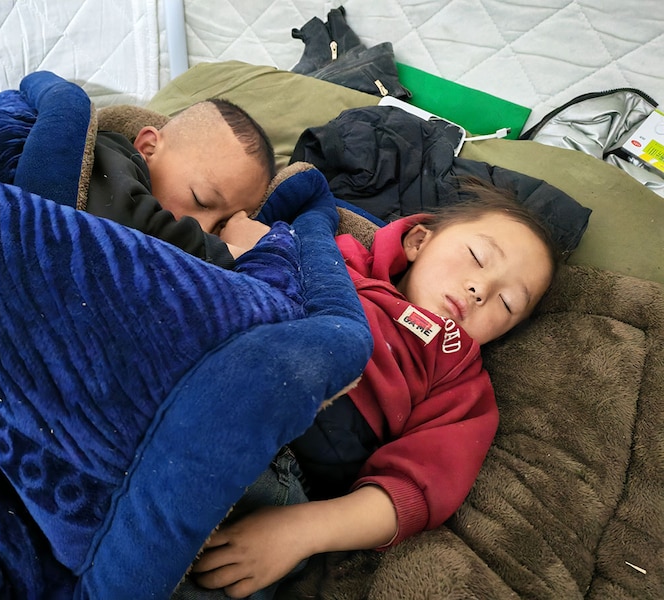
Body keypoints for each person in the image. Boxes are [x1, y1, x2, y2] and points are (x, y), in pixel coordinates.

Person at [177, 178, 561, 599]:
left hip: (279, 472)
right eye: (478, 257)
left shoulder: (460, 381)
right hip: (209, 384)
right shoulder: (338, 260)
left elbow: (413, 491)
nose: (481, 290)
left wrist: (300, 532)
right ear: (418, 241)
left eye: (508, 303)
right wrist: (254, 244)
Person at [87, 98, 276, 268]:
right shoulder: (107, 155)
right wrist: (236, 254)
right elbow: (124, 226)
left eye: (222, 226)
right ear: (148, 147)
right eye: (201, 200)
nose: (204, 229)